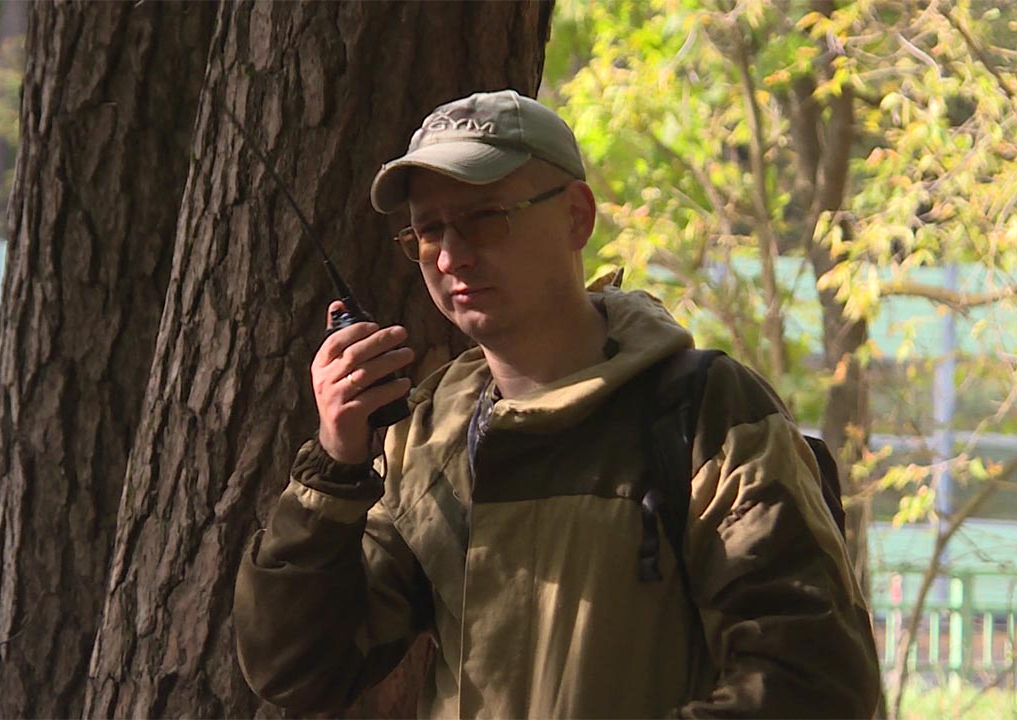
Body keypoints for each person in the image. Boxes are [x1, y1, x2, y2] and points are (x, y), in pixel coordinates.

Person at [233, 89, 881, 718]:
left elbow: (812, 680)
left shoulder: (705, 412)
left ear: (576, 216)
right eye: (428, 231)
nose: (452, 256)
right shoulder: (431, 436)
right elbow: (299, 668)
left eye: (485, 217)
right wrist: (336, 463)